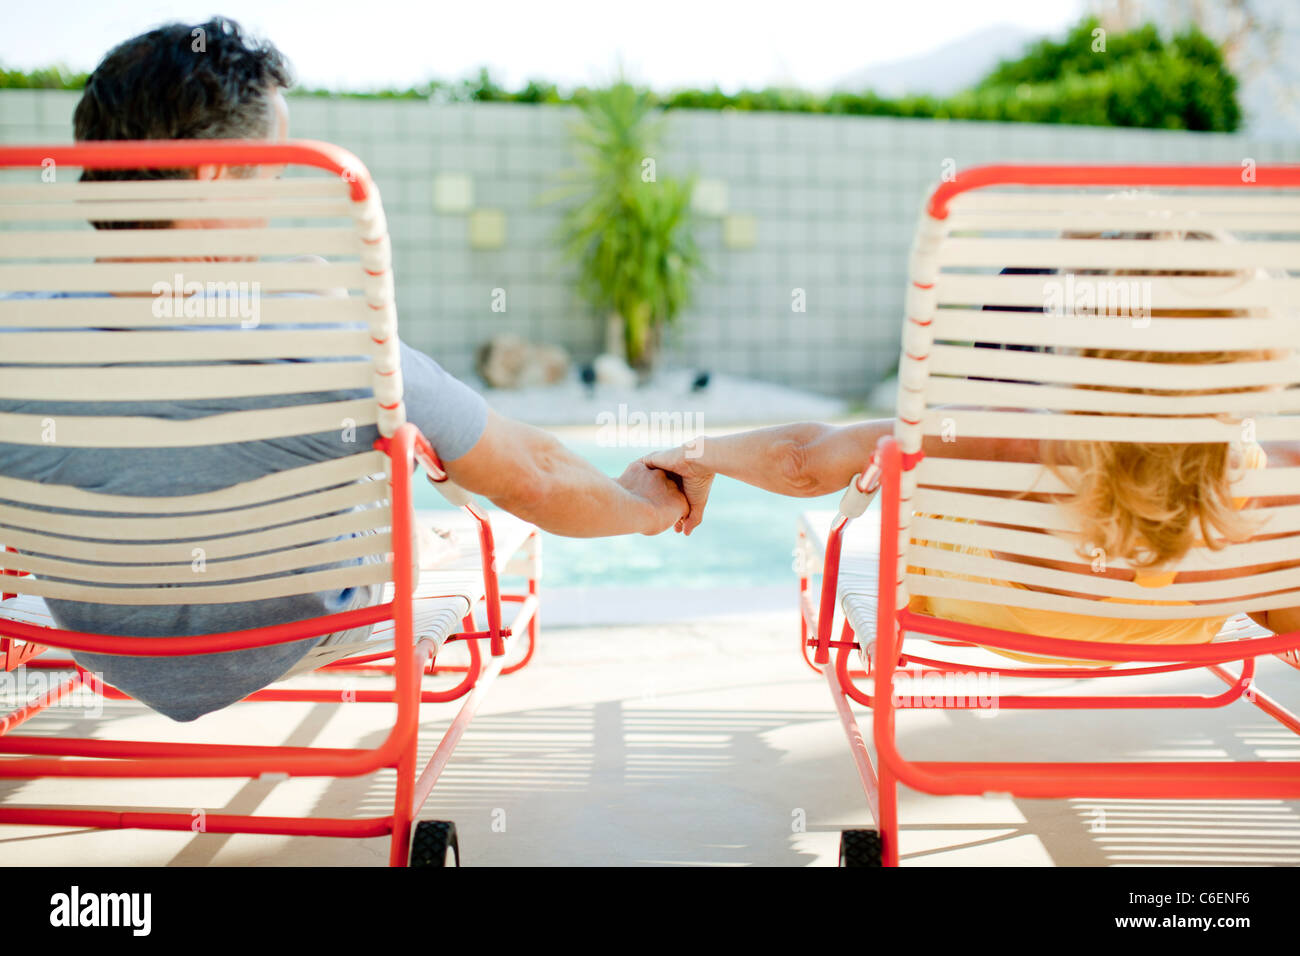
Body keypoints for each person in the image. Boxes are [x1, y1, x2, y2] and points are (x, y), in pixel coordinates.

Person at [0, 18, 687, 721]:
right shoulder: (321, 335)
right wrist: (648, 506)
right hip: (288, 635)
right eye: (272, 172)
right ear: (210, 178)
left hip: (105, 643)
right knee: (409, 455)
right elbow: (534, 477)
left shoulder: (14, 337)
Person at [645, 235, 1300, 655]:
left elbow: (804, 461)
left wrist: (696, 456)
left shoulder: (1009, 441)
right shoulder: (1281, 471)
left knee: (974, 438)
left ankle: (1035, 317)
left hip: (1012, 607)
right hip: (1179, 626)